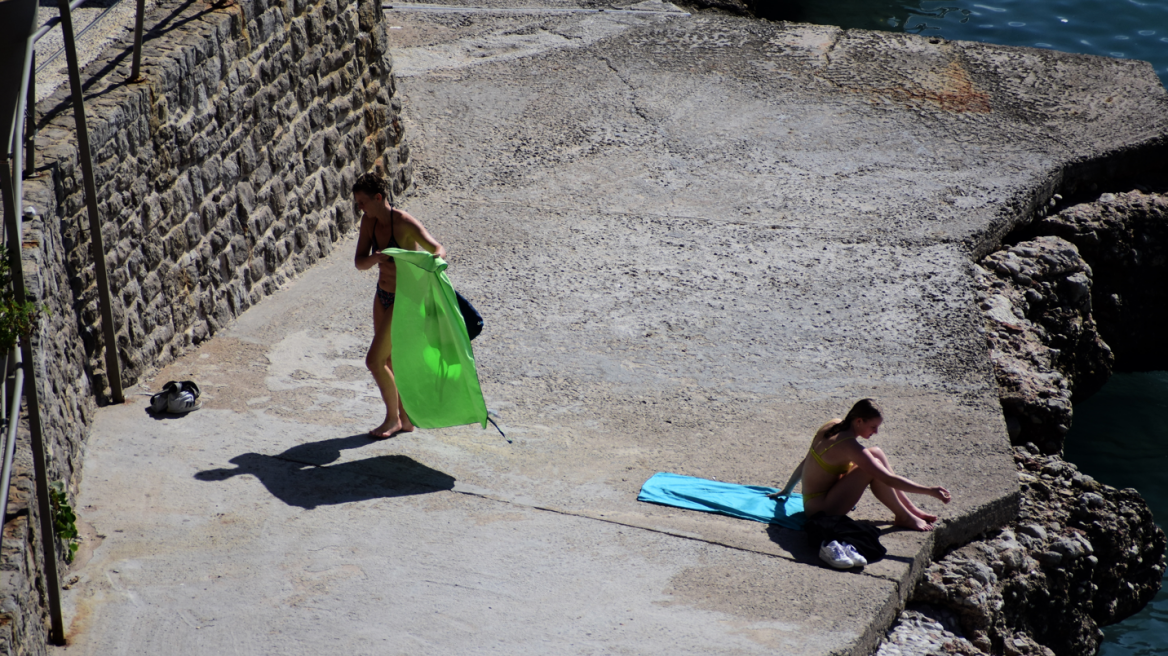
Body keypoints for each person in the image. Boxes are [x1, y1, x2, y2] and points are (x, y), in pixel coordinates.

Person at [352, 173, 447, 438]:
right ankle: (405, 420)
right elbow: (360, 262)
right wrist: (377, 258)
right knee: (390, 360)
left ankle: (391, 419)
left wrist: (435, 264)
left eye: (363, 202)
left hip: (404, 299)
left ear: (379, 198)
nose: (360, 207)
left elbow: (437, 248)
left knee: (374, 360)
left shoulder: (404, 223)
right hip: (382, 296)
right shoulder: (368, 223)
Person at [769, 399, 951, 531]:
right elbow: (887, 479)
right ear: (859, 421)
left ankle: (909, 508)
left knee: (876, 452)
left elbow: (807, 460)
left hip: (814, 500)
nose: (876, 431)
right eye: (873, 427)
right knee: (871, 470)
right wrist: (929, 490)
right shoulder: (848, 445)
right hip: (820, 510)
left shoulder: (833, 425)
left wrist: (787, 490)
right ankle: (903, 517)